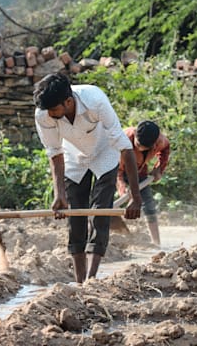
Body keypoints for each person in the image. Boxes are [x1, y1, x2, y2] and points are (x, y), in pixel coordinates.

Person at [33, 72, 143, 283]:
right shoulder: (43, 115)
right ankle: (80, 280)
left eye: (54, 110)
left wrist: (135, 196)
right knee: (75, 215)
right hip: (73, 156)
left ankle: (91, 279)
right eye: (47, 111)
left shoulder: (95, 99)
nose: (50, 114)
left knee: (100, 212)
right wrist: (59, 194)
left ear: (68, 101)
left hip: (105, 151)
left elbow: (124, 146)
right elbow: (55, 153)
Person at [116, 120, 170, 246]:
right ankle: (114, 236)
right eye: (138, 145)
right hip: (115, 168)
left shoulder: (160, 141)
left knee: (149, 205)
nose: (139, 148)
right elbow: (117, 172)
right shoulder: (122, 141)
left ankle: (156, 243)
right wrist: (124, 191)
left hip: (140, 170)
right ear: (135, 134)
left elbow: (166, 149)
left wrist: (159, 168)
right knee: (106, 201)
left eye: (144, 147)